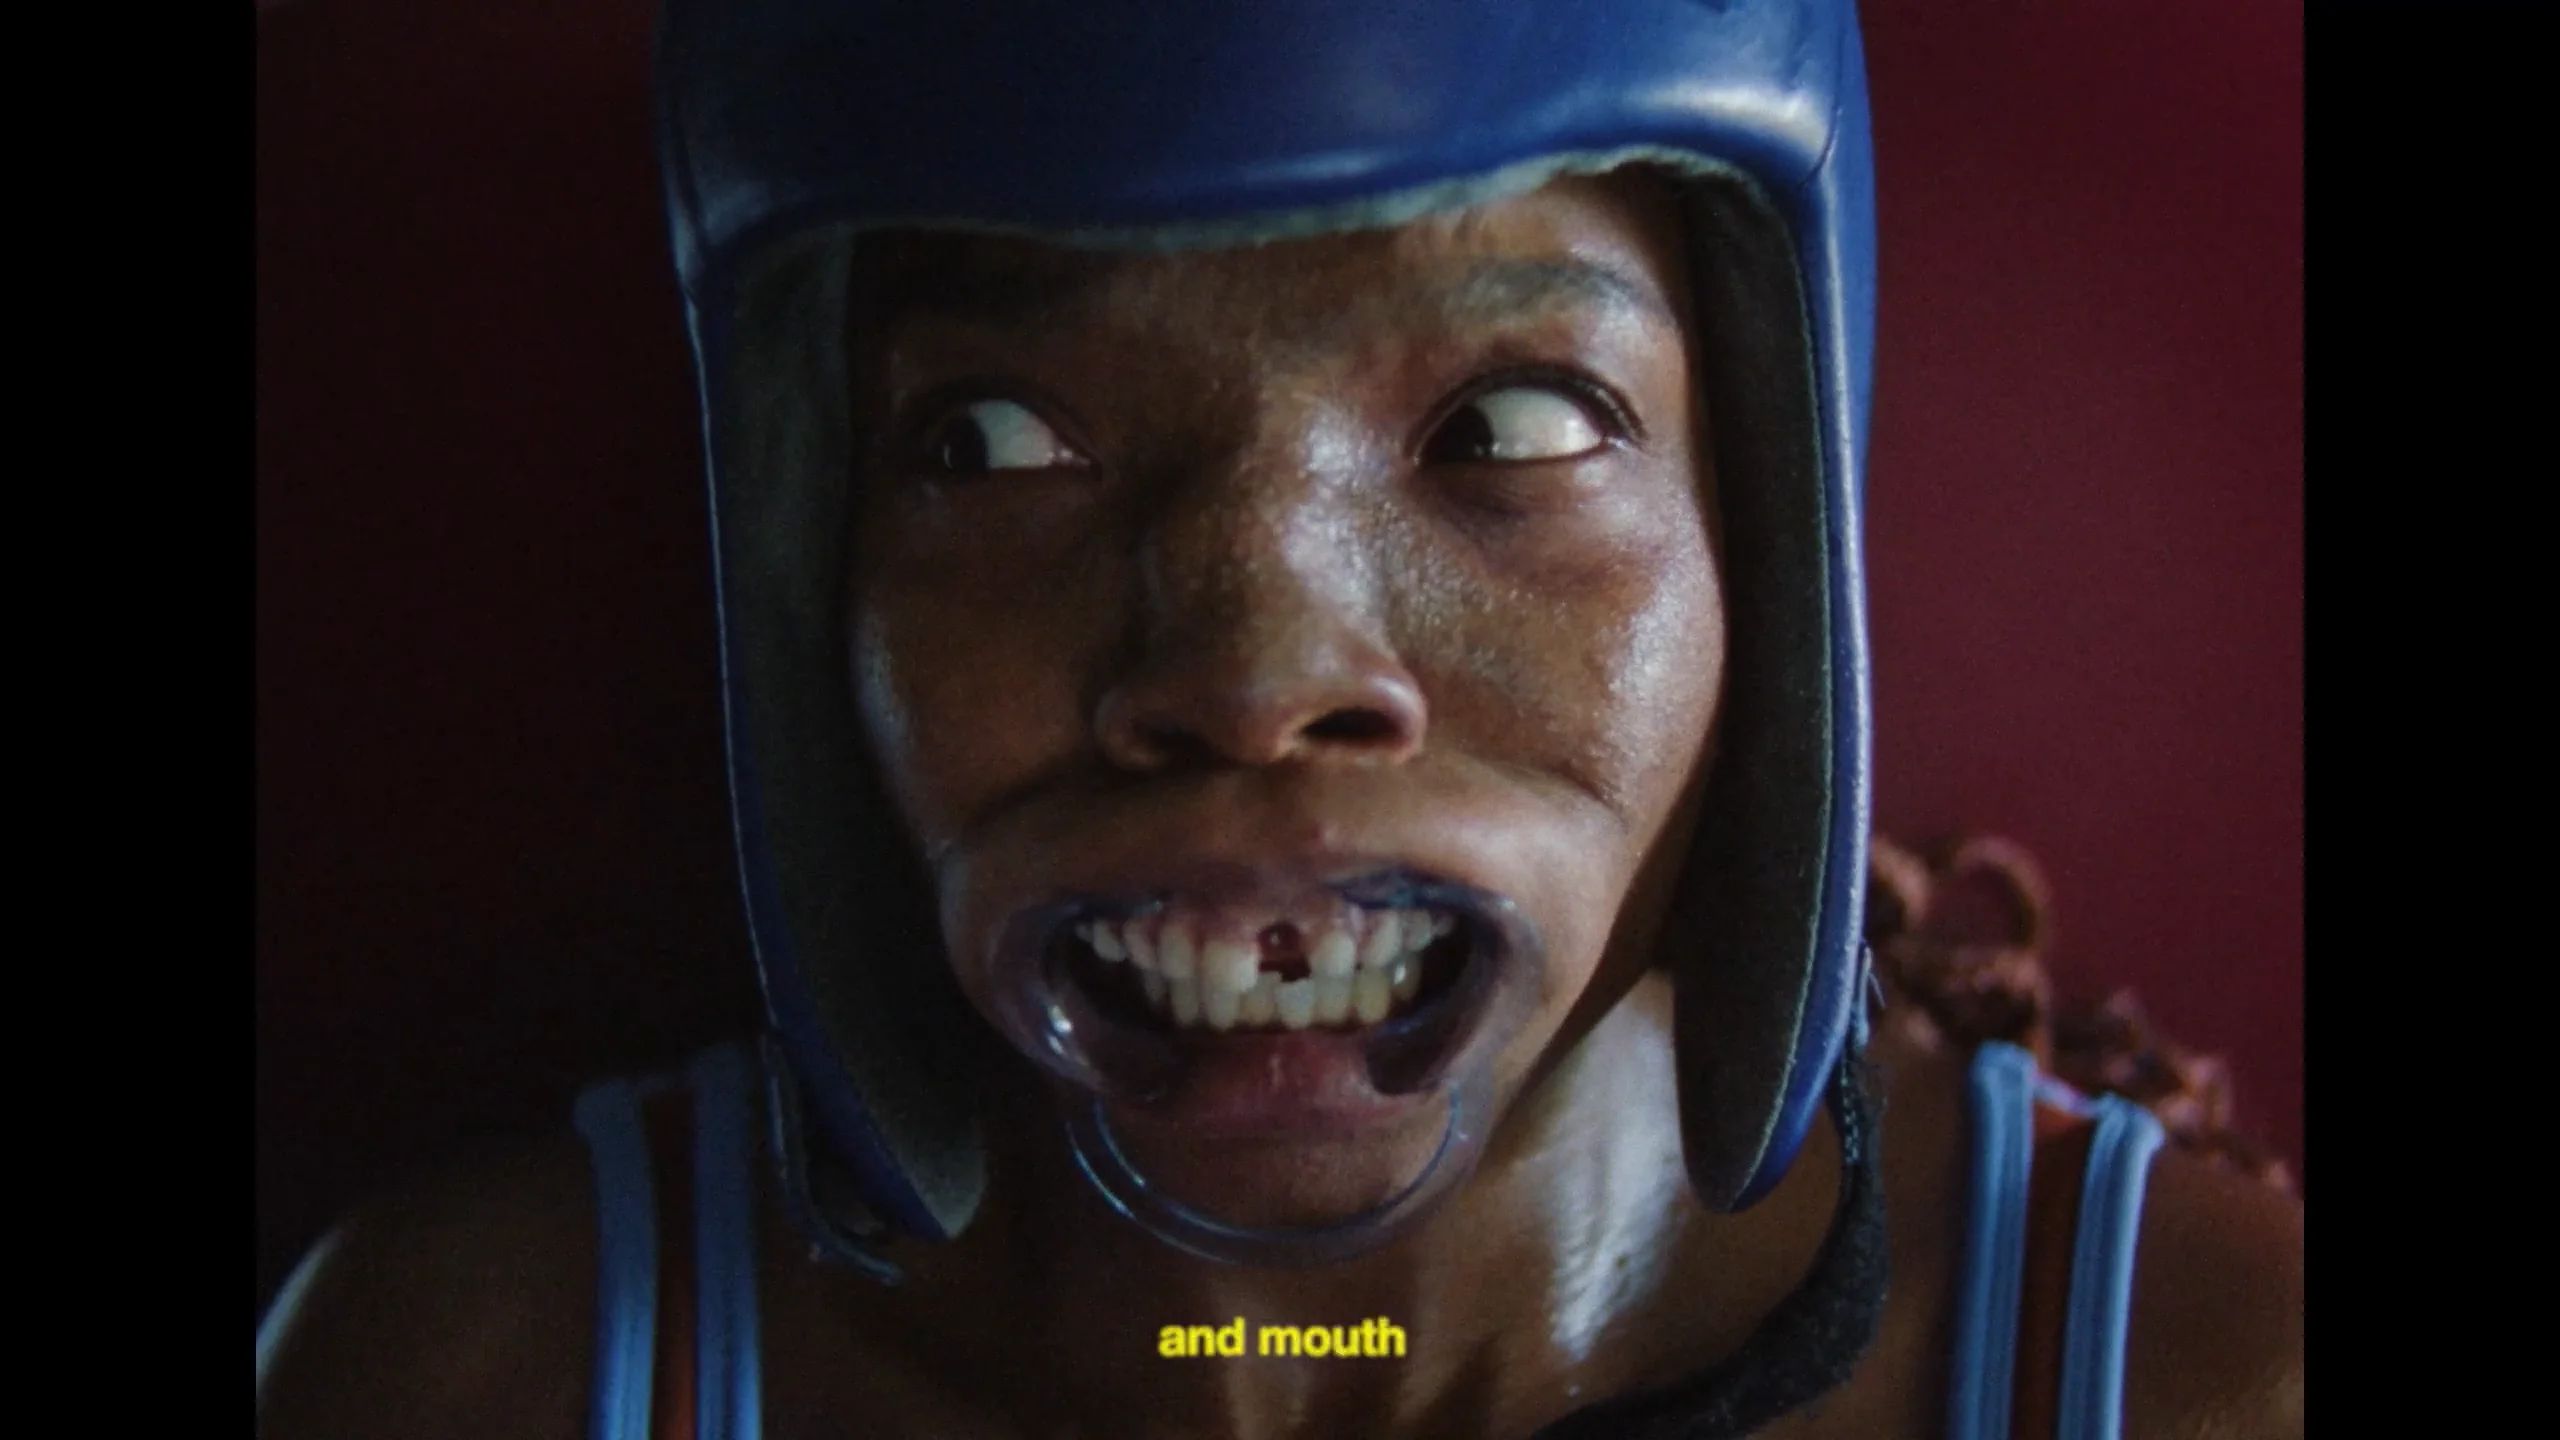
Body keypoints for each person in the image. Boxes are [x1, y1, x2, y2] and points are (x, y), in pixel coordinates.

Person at [254, 1, 2302, 1436]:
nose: (1252, 677)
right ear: (804, 572)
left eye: (1511, 426)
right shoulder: (479, 1380)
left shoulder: (2206, 1385)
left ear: (1764, 527)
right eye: (994, 443)